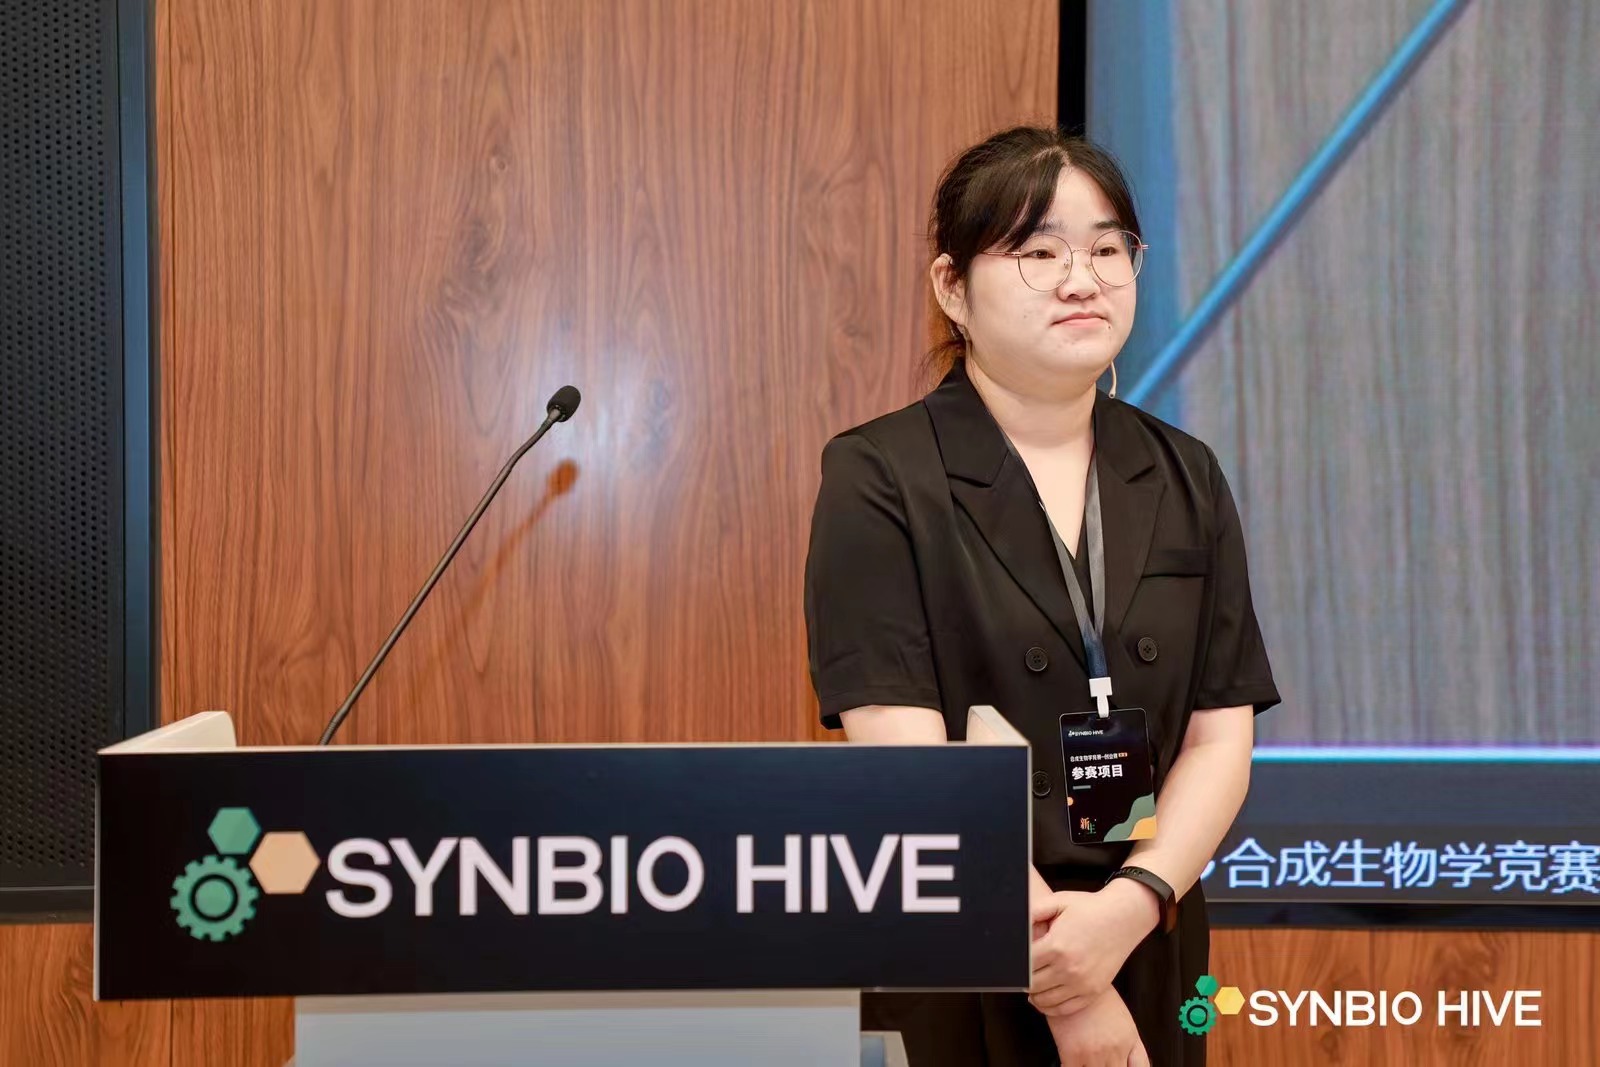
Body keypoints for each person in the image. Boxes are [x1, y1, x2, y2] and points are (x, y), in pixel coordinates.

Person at [802, 125, 1280, 1066]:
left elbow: (1219, 739)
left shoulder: (1184, 473)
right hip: (962, 946)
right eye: (1038, 252)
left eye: (1108, 249)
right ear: (952, 288)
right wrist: (1071, 990)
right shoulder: (880, 474)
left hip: (1146, 937)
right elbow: (910, 763)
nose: (1081, 279)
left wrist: (1130, 907)